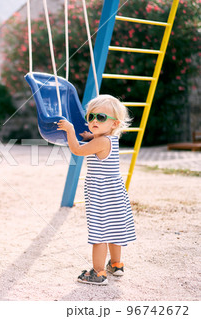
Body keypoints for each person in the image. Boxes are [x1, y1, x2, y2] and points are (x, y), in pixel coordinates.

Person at [57, 94, 136, 285]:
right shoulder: (108, 139)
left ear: (114, 124)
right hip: (115, 192)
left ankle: (99, 272)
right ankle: (116, 264)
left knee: (100, 233)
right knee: (114, 230)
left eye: (100, 118)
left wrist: (70, 130)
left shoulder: (100, 142)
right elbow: (97, 141)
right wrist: (90, 135)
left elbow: (77, 150)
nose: (93, 121)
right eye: (90, 117)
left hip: (102, 193)